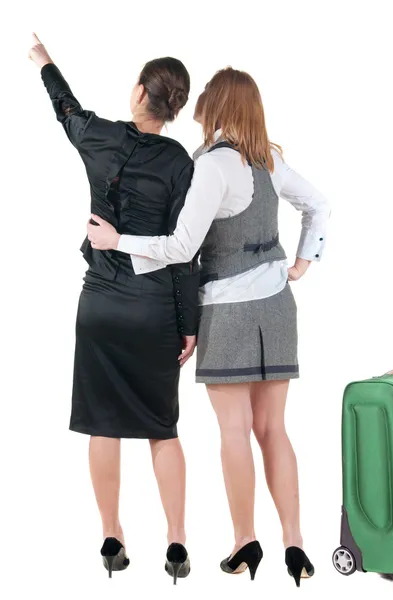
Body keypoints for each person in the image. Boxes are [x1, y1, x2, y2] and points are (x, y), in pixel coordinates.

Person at [87, 66, 330, 587]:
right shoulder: (271, 160)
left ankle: (245, 542)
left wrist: (117, 242)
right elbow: (320, 204)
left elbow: (179, 247)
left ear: (214, 107)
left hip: (227, 310)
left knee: (234, 433)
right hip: (278, 308)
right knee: (274, 430)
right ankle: (296, 544)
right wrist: (302, 263)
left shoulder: (211, 166)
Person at [29, 34, 198, 583]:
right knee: (161, 428)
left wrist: (46, 63)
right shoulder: (178, 162)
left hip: (99, 303)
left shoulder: (98, 137)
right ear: (172, 108)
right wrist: (189, 325)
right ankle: (176, 541)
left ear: (139, 92)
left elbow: (67, 110)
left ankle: (111, 533)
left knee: (104, 425)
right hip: (154, 312)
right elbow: (182, 252)